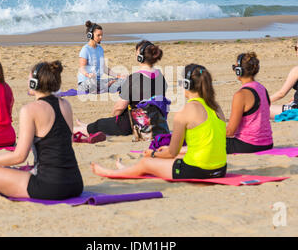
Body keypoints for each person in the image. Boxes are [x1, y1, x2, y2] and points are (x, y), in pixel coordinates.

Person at [0, 61, 83, 200]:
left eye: (29, 78)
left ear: (34, 83)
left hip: (50, 186)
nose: (27, 80)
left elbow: (19, 157)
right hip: (76, 184)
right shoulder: (66, 104)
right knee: (9, 172)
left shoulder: (29, 110)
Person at [91, 64, 227, 180]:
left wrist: (153, 154)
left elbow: (172, 153)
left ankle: (112, 172)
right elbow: (207, 142)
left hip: (198, 170)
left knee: (146, 162)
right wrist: (170, 150)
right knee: (171, 153)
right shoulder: (216, 107)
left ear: (186, 85)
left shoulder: (185, 111)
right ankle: (129, 168)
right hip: (220, 168)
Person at [75, 40, 167, 136]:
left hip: (133, 125)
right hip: (156, 122)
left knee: (101, 123)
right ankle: (87, 126)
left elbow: (118, 109)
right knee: (102, 123)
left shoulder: (134, 79)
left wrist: (114, 115)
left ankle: (80, 129)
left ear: (140, 57)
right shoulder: (160, 77)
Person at [226, 52, 273, 154]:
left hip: (248, 145)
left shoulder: (240, 95)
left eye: (234, 67)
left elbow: (230, 131)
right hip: (268, 143)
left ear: (239, 71)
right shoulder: (262, 89)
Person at [78, 20, 126, 93]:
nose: (101, 37)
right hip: (86, 82)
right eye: (98, 35)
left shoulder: (100, 49)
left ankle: (106, 86)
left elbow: (103, 68)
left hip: (97, 82)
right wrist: (88, 74)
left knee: (123, 80)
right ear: (90, 35)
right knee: (94, 84)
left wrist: (118, 76)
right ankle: (106, 86)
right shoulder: (85, 50)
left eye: (101, 35)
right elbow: (82, 68)